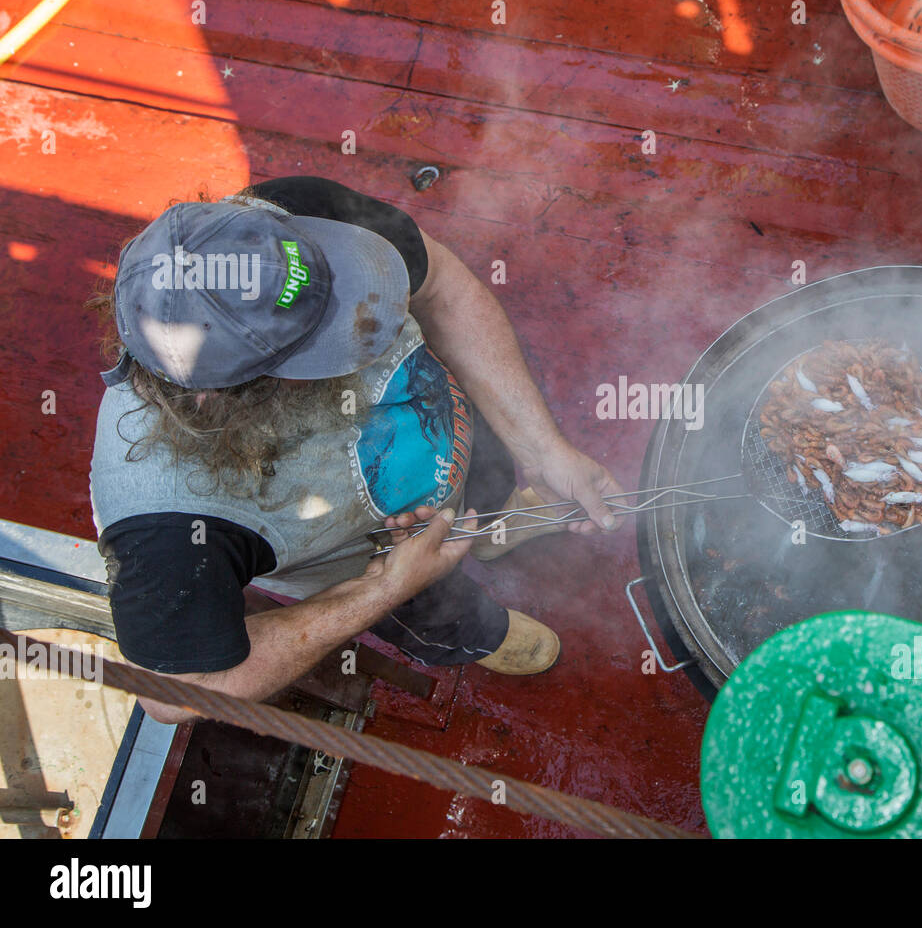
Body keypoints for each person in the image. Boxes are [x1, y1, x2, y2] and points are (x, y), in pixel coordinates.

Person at [89, 177, 623, 724]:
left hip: (452, 431)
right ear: (224, 398)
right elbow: (174, 693)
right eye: (324, 337)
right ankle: (478, 636)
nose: (366, 315)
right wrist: (386, 585)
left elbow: (443, 290)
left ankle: (494, 526)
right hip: (369, 559)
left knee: (487, 483)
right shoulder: (164, 522)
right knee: (435, 609)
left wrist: (544, 448)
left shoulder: (287, 224)